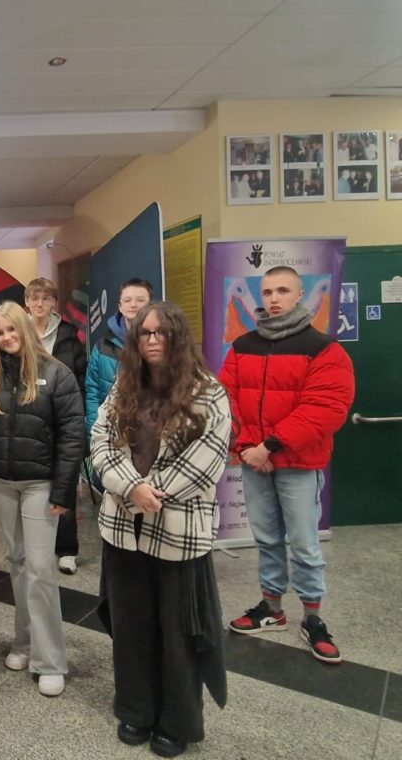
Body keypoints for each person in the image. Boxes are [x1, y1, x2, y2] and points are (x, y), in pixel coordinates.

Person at [93, 301, 230, 758]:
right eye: (144, 333)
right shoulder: (124, 385)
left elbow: (207, 461)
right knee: (132, 628)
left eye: (160, 332)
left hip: (176, 531)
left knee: (177, 634)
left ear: (177, 336)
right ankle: (135, 709)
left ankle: (177, 722)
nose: (152, 340)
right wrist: (130, 486)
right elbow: (101, 441)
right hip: (123, 529)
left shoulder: (208, 392)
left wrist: (150, 492)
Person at [219, 266, 354, 663]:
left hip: (297, 463)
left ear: (299, 295)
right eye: (267, 292)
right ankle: (272, 608)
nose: (274, 298)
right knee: (266, 539)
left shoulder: (324, 348)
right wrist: (248, 447)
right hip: (253, 459)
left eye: (282, 290)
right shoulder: (242, 345)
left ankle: (313, 618)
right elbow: (225, 398)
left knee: (305, 544)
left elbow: (325, 408)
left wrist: (269, 446)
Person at [0, 301, 83, 698]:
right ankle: (23, 642)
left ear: (25, 328)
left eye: (11, 330)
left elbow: (73, 434)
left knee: (39, 567)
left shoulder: (57, 373)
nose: (6, 338)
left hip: (40, 483)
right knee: (18, 562)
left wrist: (63, 489)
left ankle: (50, 660)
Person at [25, 277, 87, 576]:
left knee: (65, 482)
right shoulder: (18, 331)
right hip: (28, 419)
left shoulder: (69, 335)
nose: (40, 304)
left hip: (62, 417)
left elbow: (81, 377)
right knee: (31, 486)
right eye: (34, 298)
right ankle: (36, 547)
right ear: (27, 302)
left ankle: (67, 550)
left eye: (46, 298)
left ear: (53, 302)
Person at [85, 278, 152, 449]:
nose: (133, 305)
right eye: (127, 300)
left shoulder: (158, 343)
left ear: (151, 305)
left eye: (140, 300)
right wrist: (94, 432)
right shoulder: (103, 345)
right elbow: (92, 392)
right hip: (111, 434)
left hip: (150, 434)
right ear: (120, 306)